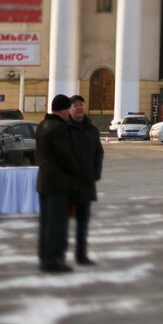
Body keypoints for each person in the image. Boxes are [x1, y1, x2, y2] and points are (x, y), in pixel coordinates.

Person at [35, 94, 82, 273]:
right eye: (69, 108)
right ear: (64, 110)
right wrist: (77, 170)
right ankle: (53, 261)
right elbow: (65, 156)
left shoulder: (42, 125)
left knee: (46, 222)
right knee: (56, 223)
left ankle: (45, 256)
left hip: (44, 182)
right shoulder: (59, 128)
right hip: (58, 184)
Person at [66, 94, 103, 267]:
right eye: (75, 105)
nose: (79, 108)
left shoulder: (91, 129)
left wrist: (95, 173)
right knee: (61, 223)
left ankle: (81, 255)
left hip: (86, 184)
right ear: (69, 109)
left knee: (83, 224)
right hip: (67, 184)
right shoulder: (64, 129)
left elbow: (98, 153)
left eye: (81, 104)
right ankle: (56, 256)